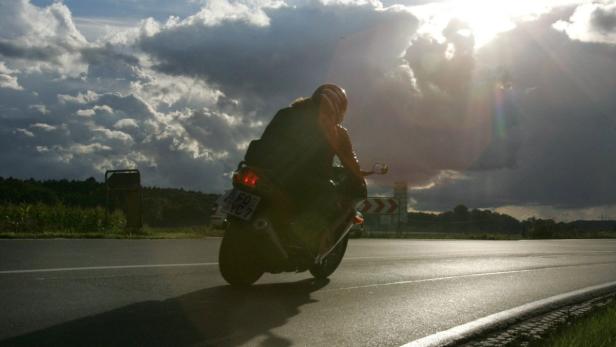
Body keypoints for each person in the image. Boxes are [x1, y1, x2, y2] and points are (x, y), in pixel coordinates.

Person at [244, 84, 366, 252]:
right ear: (340, 107)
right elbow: (351, 162)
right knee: (328, 196)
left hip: (261, 169)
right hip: (300, 180)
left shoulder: (286, 113)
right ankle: (306, 242)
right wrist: (359, 175)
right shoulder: (336, 131)